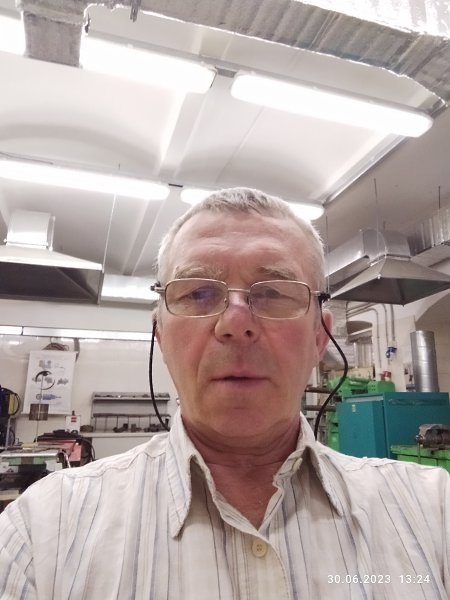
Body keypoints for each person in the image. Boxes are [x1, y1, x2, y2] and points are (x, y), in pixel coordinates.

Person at [0, 187, 449, 599]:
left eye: (273, 292)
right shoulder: (43, 531)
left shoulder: (433, 512)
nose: (235, 322)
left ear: (319, 337)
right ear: (161, 336)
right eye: (198, 293)